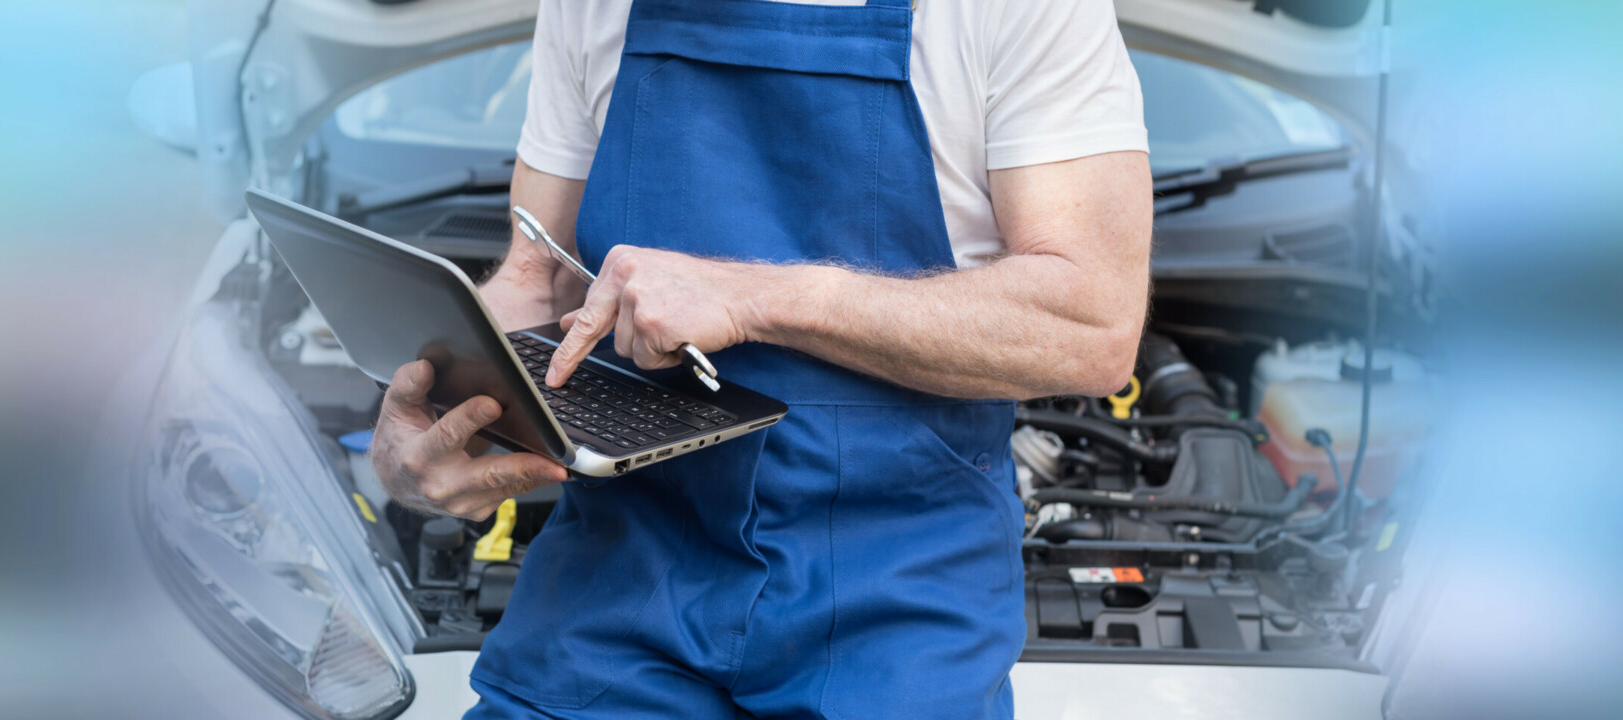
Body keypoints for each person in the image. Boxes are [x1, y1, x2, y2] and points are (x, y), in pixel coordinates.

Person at [369, 0, 1151, 716]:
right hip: (617, 588)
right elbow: (536, 277)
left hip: (900, 604)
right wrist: (443, 403)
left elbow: (1091, 324)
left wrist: (755, 299)